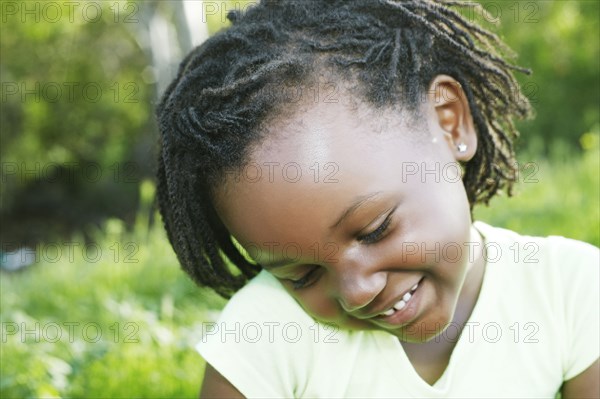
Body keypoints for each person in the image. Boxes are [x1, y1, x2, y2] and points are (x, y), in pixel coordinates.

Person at [155, 1, 599, 397]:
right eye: (303, 275)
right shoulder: (264, 333)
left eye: (375, 229)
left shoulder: (568, 290)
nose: (356, 291)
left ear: (449, 124)